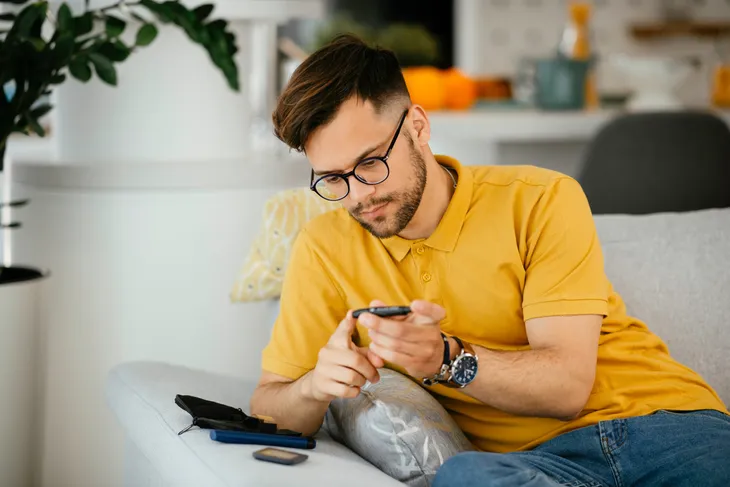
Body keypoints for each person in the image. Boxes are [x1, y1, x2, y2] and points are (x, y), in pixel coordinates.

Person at [249, 34, 730, 487]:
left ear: (417, 126)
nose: (359, 196)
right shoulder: (324, 247)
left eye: (371, 163)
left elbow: (566, 388)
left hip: (665, 427)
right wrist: (314, 387)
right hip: (536, 468)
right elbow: (268, 405)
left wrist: (444, 357)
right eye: (333, 179)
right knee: (465, 479)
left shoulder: (540, 198)